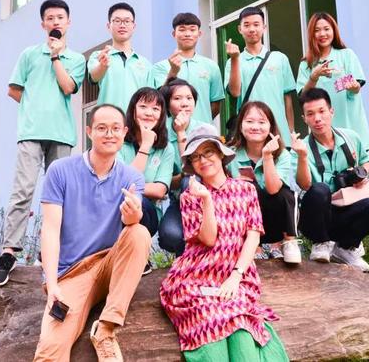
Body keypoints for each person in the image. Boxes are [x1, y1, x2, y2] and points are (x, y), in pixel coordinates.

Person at [160, 124, 289, 361]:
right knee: (207, 318)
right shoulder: (190, 196)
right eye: (196, 157)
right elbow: (208, 239)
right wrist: (207, 200)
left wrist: (236, 275)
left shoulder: (246, 189)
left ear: (220, 153)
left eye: (208, 152)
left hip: (236, 272)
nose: (202, 160)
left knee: (240, 328)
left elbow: (253, 235)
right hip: (197, 274)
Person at [34, 104, 150, 362]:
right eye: (102, 128)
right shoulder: (60, 170)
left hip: (109, 263)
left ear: (125, 133)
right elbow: (50, 230)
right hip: (72, 273)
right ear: (89, 132)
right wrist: (52, 284)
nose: (109, 134)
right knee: (50, 351)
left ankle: (106, 328)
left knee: (139, 232)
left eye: (116, 128)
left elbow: (131, 222)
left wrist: (133, 215)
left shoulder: (132, 177)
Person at [0, 0, 86, 287]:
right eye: (50, 18)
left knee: (60, 196)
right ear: (43, 24)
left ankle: (51, 252)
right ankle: (9, 252)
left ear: (69, 22)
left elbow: (68, 87)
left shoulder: (76, 59)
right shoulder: (29, 55)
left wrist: (56, 57)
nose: (55, 22)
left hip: (62, 134)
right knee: (23, 190)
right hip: (31, 133)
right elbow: (13, 90)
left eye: (60, 17)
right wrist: (33, 106)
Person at [292, 88, 369, 271]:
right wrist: (302, 156)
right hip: (315, 218)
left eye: (322, 111)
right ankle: (321, 243)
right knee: (320, 190)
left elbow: (366, 161)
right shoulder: (301, 148)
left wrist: (361, 174)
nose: (317, 118)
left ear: (331, 111)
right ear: (304, 119)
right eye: (310, 114)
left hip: (345, 210)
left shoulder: (350, 138)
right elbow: (304, 184)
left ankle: (345, 248)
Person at [227, 101, 301, 264]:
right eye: (249, 121)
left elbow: (273, 189)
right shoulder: (230, 155)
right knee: (248, 188)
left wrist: (267, 156)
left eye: (261, 122)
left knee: (286, 194)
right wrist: (233, 184)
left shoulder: (282, 154)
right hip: (245, 225)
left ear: (271, 127)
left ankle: (286, 242)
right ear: (240, 126)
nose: (255, 127)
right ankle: (254, 246)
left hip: (275, 222)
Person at [296, 12, 369, 150]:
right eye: (317, 30)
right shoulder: (306, 64)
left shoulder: (347, 55)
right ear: (311, 34)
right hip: (323, 133)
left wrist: (353, 87)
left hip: (351, 126)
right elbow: (303, 96)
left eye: (326, 29)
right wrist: (314, 77)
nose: (322, 34)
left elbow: (357, 86)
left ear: (334, 30)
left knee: (358, 161)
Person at [118, 87, 175, 273]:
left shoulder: (166, 149)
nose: (149, 113)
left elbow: (160, 190)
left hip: (148, 215)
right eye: (143, 107)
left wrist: (129, 186)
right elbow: (120, 183)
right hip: (115, 210)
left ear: (162, 114)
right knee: (129, 199)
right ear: (133, 110)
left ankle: (139, 258)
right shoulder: (119, 141)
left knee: (136, 199)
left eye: (155, 109)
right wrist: (145, 146)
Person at [224, 6, 296, 144]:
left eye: (256, 24)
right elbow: (235, 92)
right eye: (247, 25)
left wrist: (290, 132)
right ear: (240, 29)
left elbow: (287, 99)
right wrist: (234, 59)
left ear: (264, 27)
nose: (252, 29)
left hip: (280, 133)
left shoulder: (280, 58)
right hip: (250, 133)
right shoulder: (233, 62)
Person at [156, 77, 210, 255]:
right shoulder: (160, 133)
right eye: (177, 98)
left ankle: (201, 252)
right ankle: (187, 258)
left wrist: (181, 134)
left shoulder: (205, 130)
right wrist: (180, 178)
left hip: (208, 198)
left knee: (190, 180)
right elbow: (165, 183)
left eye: (189, 98)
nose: (185, 103)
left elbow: (205, 172)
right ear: (167, 104)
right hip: (178, 198)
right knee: (170, 235)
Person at [149, 12, 225, 124]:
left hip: (202, 130)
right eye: (182, 29)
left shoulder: (211, 66)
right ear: (174, 34)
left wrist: (197, 123)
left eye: (192, 29)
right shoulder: (160, 67)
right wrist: (173, 71)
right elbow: (160, 100)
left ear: (199, 33)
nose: (187, 34)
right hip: (170, 130)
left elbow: (216, 103)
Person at [87, 2, 152, 112]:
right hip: (107, 119)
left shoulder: (145, 64)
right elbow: (94, 76)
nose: (122, 25)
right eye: (117, 21)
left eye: (127, 21)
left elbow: (150, 97)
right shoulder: (99, 56)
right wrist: (102, 66)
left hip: (135, 121)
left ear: (134, 26)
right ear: (108, 26)